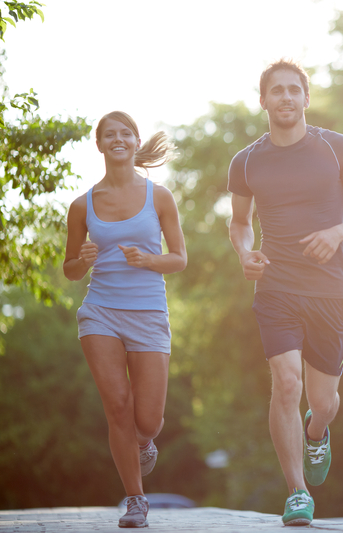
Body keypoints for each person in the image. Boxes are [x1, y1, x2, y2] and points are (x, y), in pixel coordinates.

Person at [227, 58, 343, 526]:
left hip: (330, 292)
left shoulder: (335, 148)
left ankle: (317, 433)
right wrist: (245, 254)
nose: (286, 97)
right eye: (277, 90)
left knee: (323, 402)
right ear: (263, 100)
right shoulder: (247, 160)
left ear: (307, 98)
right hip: (275, 288)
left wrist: (336, 234)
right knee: (286, 382)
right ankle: (297, 492)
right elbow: (238, 223)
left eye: (295, 90)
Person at [63, 111, 187, 528]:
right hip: (101, 312)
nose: (117, 139)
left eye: (125, 133)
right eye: (109, 135)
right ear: (99, 145)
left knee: (147, 420)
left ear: (135, 142)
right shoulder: (82, 205)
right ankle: (135, 500)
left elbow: (180, 259)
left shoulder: (160, 197)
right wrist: (80, 261)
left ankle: (143, 440)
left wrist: (149, 260)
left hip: (149, 312)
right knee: (117, 406)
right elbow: (69, 269)